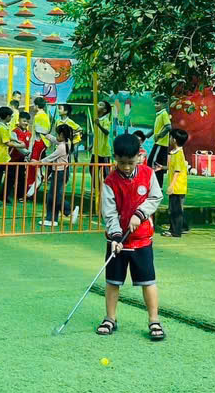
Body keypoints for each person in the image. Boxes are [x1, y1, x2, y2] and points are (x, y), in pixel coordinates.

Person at [96, 133, 165, 342]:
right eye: (121, 162)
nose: (126, 167)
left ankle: (154, 320)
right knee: (113, 281)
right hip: (117, 241)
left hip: (142, 240)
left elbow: (156, 197)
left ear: (139, 156)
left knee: (148, 281)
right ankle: (110, 318)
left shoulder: (148, 174)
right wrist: (116, 236)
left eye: (130, 162)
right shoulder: (110, 181)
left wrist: (140, 214)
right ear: (115, 158)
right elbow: (109, 213)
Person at [41, 123, 80, 227]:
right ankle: (52, 219)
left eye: (57, 134)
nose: (56, 136)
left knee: (55, 197)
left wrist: (38, 162)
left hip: (60, 173)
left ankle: (70, 211)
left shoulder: (62, 147)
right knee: (53, 196)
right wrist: (46, 135)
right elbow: (55, 140)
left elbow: (50, 157)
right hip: (60, 171)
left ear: (62, 135)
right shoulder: (66, 142)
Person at [162, 127, 189, 238]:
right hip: (177, 187)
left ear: (174, 140)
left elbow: (177, 171)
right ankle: (183, 227)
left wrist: (171, 186)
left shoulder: (178, 154)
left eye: (170, 137)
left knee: (175, 211)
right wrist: (162, 167)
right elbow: (172, 168)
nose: (169, 139)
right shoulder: (174, 153)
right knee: (176, 209)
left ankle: (175, 231)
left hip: (177, 187)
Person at [150, 98, 172, 187]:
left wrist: (159, 136)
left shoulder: (164, 114)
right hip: (158, 143)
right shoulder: (159, 115)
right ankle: (158, 186)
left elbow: (168, 127)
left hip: (161, 144)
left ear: (163, 104)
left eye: (157, 103)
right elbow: (156, 129)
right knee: (157, 166)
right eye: (155, 103)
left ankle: (156, 185)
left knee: (152, 163)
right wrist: (145, 136)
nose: (155, 105)